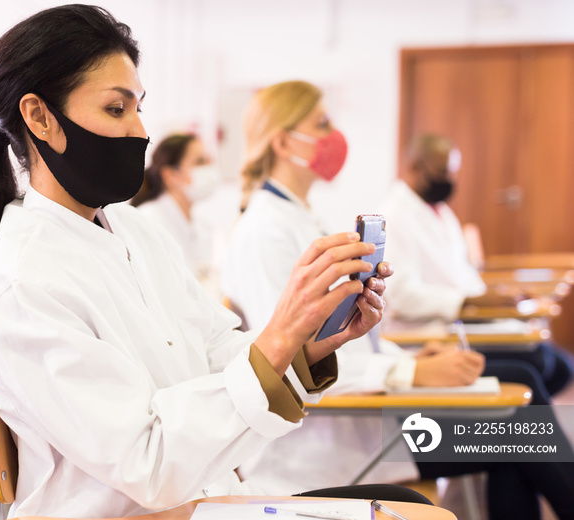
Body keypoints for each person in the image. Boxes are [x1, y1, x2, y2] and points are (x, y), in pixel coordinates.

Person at [0, 6, 396, 518]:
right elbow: (146, 463)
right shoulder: (23, 282)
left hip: (205, 499)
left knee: (399, 505)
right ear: (39, 116)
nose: (140, 130)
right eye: (117, 109)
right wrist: (276, 341)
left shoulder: (135, 229)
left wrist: (307, 338)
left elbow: (217, 348)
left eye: (139, 107)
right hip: (140, 512)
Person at [219, 80, 574, 520]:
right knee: (520, 431)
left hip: (370, 425)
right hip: (324, 446)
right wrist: (410, 370)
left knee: (517, 429)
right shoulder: (264, 233)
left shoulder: (304, 216)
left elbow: (347, 335)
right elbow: (290, 358)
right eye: (323, 123)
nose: (335, 135)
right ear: (283, 140)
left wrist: (404, 355)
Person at [383, 133, 573, 397]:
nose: (449, 181)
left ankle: (506, 436)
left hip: (463, 324)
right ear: (414, 167)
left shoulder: (441, 213)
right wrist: (469, 301)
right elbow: (403, 296)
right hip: (428, 335)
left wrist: (499, 298)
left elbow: (464, 273)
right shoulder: (393, 218)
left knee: (560, 366)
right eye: (441, 172)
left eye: (452, 173)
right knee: (534, 367)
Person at [131, 133, 219, 290]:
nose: (208, 168)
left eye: (208, 160)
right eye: (199, 162)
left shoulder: (202, 224)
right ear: (170, 175)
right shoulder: (148, 219)